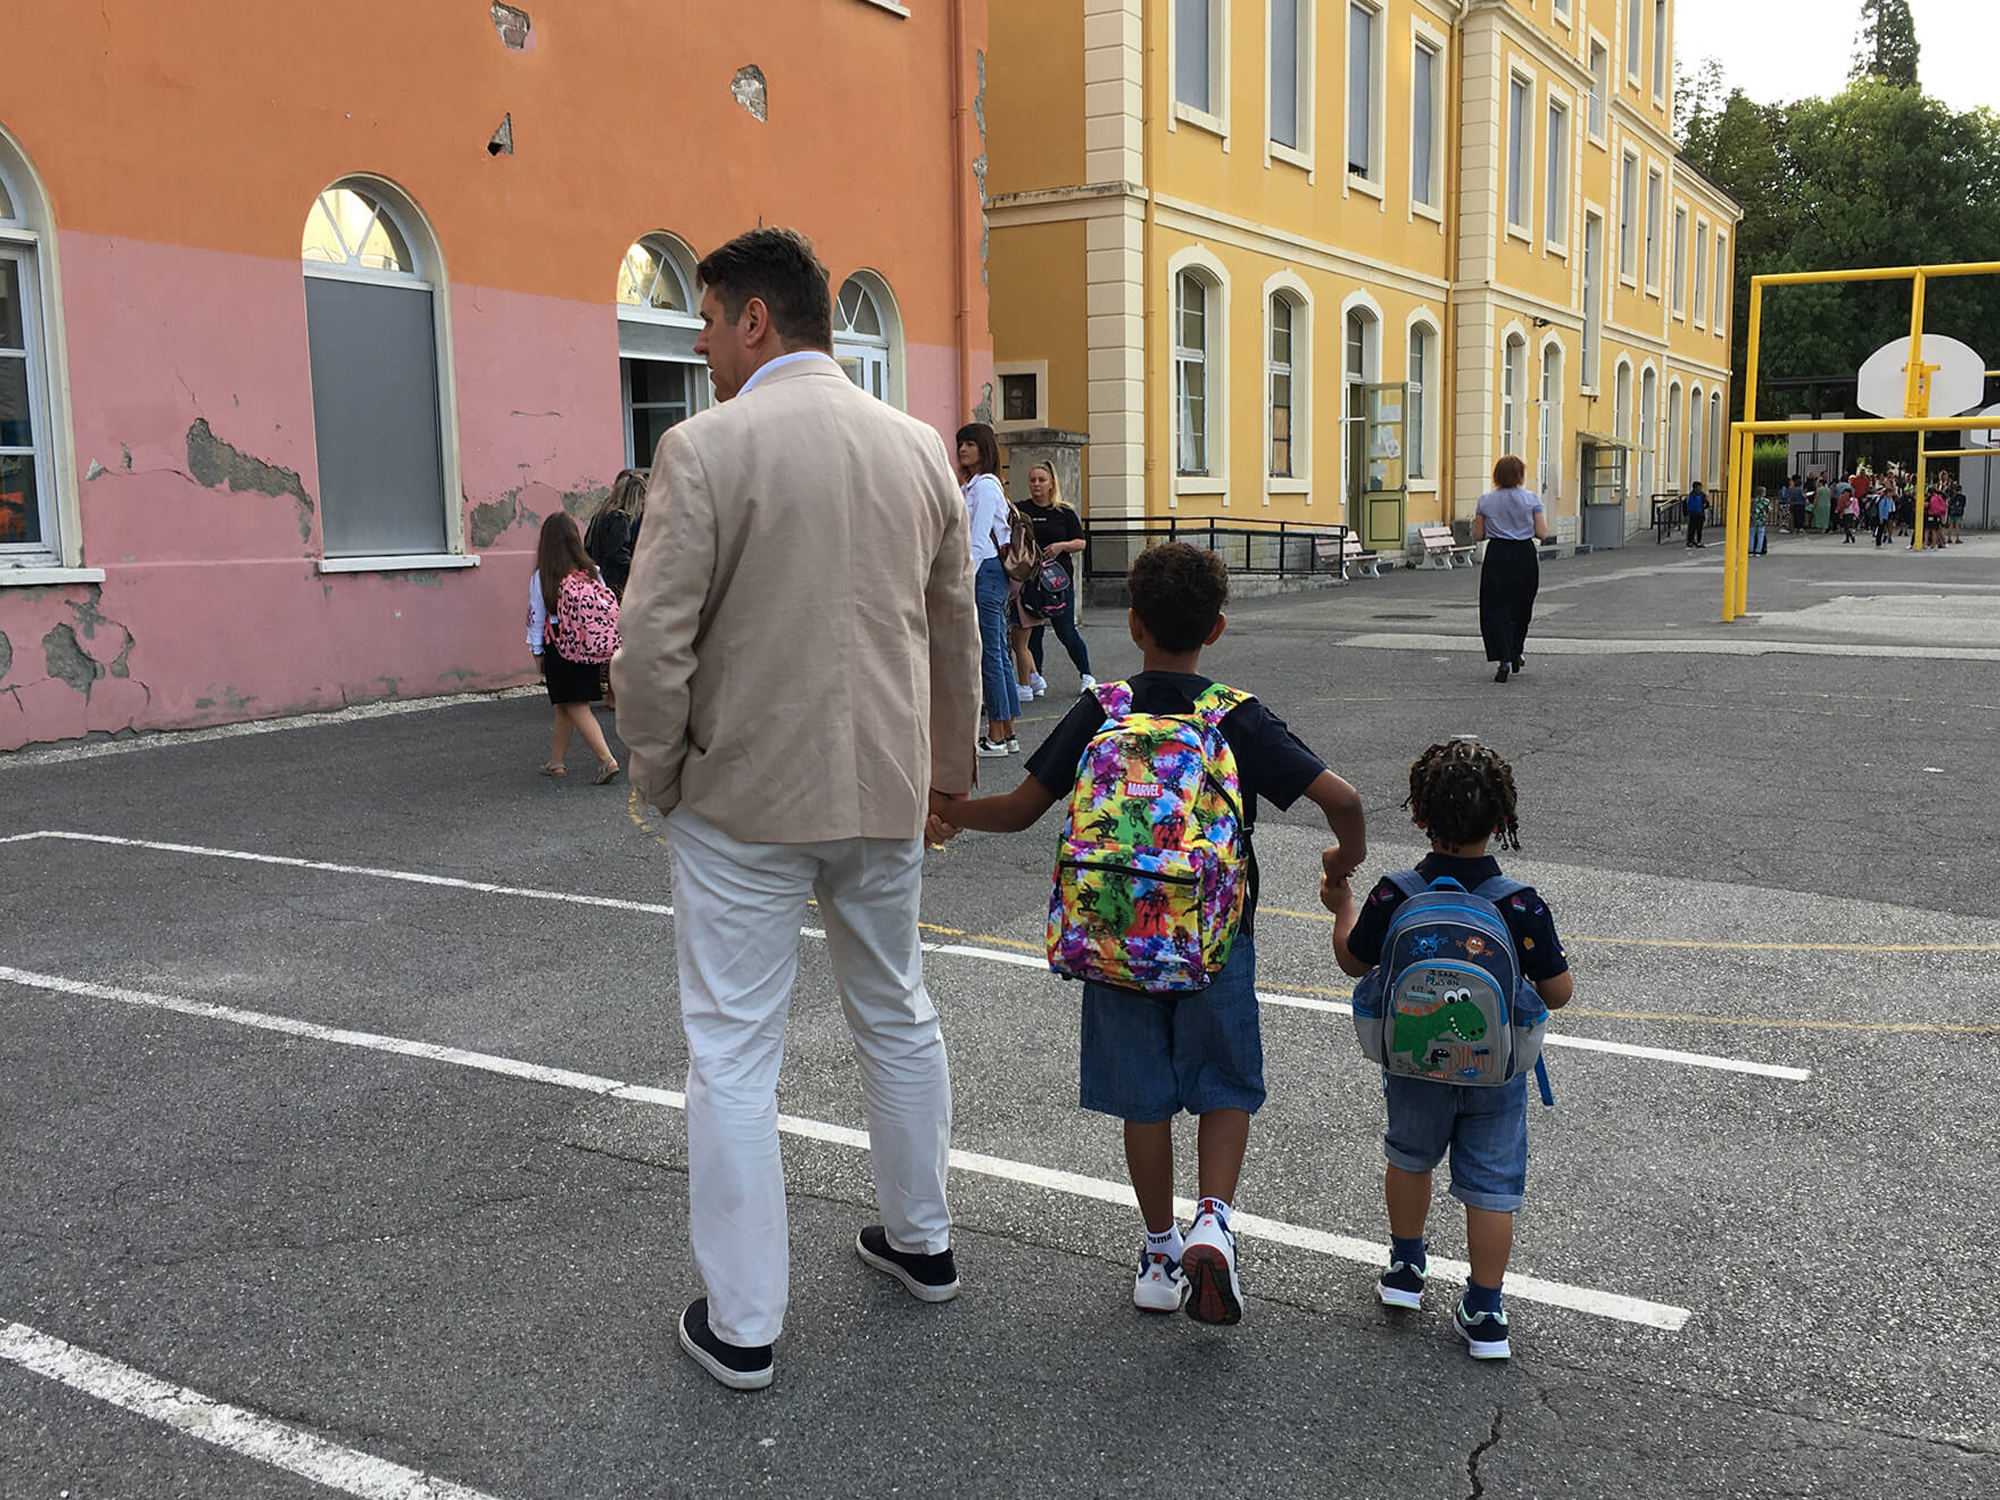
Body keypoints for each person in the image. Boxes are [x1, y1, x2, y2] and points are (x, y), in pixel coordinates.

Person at [611, 227, 983, 1392]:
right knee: (897, 1010)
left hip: (744, 796)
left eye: (706, 321)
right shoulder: (916, 448)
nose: (700, 344)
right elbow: (952, 630)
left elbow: (651, 646)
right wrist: (946, 777)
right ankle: (921, 1241)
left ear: (754, 319)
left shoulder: (703, 447)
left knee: (732, 1051)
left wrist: (658, 776)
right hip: (884, 785)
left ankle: (745, 1323)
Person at [927, 542, 1366, 1325]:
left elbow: (1023, 809)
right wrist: (1342, 862)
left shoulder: (1106, 708)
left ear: (1132, 624)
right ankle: (1214, 1223)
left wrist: (950, 811)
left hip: (1114, 934)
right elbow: (1345, 800)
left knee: (1144, 1098)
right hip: (1213, 938)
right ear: (1217, 628)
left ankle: (1160, 1250)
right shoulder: (1234, 714)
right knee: (1223, 1082)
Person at [1323, 739, 1572, 1361]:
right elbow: (1559, 992)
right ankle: (1485, 1310)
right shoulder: (1518, 903)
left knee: (1409, 1157)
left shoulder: (1395, 893)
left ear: (1418, 815)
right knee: (1492, 1186)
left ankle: (1406, 1270)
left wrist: (1343, 905)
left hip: (1414, 1063)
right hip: (1496, 1074)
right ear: (1502, 819)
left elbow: (1353, 960)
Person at [526, 511, 621, 784]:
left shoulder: (544, 576)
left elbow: (537, 617)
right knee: (564, 703)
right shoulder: (593, 572)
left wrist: (537, 652)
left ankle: (606, 759)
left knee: (575, 703)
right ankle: (556, 762)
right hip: (587, 644)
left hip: (558, 645)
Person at [957, 422, 1020, 754]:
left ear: (984, 448)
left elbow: (978, 541)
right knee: (998, 652)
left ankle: (996, 736)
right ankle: (1007, 732)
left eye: (970, 444)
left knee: (990, 654)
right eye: (961, 444)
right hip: (992, 572)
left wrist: (965, 576)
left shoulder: (983, 488)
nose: (963, 449)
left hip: (986, 571)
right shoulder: (977, 486)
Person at [1018, 462, 1095, 696]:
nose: (1036, 484)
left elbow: (1081, 542)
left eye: (1041, 480)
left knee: (1066, 631)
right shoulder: (1021, 510)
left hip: (1057, 582)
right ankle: (1036, 678)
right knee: (1033, 632)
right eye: (1033, 480)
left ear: (1051, 484)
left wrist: (1061, 546)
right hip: (1031, 581)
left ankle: (1086, 674)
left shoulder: (1063, 512)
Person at [1473, 456, 1547, 684]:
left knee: (1497, 608)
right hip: (1524, 555)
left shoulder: (1485, 500)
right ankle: (1517, 651)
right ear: (1520, 475)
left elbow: (1478, 535)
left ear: (1497, 475)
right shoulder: (1531, 499)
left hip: (1498, 555)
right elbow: (1542, 533)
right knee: (1521, 607)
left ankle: (1503, 659)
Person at [584, 468, 648, 707]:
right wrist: (640, 567)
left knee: (606, 634)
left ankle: (606, 685)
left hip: (600, 580)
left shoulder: (601, 515)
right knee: (620, 636)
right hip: (617, 583)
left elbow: (588, 548)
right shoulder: (620, 519)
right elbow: (617, 553)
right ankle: (616, 691)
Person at [1683, 479, 1708, 548]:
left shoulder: (1690, 495)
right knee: (1698, 529)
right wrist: (1704, 507)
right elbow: (1707, 504)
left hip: (1692, 514)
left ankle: (1690, 541)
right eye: (1699, 487)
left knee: (1692, 529)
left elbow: (1685, 504)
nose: (1700, 489)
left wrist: (1685, 513)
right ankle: (1698, 542)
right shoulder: (1702, 495)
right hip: (1699, 514)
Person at [1748, 485, 1770, 557]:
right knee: (1760, 535)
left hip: (1753, 519)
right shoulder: (1766, 501)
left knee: (1751, 535)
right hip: (1762, 520)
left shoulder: (1752, 501)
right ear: (1763, 493)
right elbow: (1769, 510)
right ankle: (1758, 551)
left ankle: (1751, 550)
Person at [1947, 476, 1966, 544]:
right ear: (1961, 490)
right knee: (1957, 525)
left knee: (1951, 525)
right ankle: (1957, 539)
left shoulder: (1953, 496)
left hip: (1952, 512)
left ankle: (1949, 538)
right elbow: (1963, 505)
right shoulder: (1963, 497)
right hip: (1958, 513)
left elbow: (1949, 503)